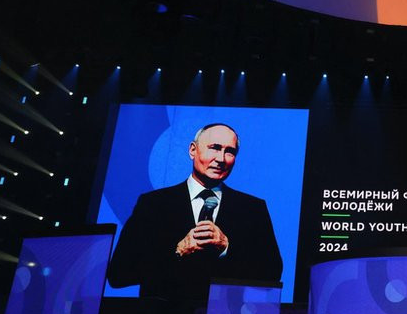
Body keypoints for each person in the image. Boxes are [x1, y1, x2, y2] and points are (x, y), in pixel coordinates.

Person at [107, 123, 283, 304]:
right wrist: (178, 251)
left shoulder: (253, 209)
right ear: (193, 150)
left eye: (229, 151)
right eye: (214, 148)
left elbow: (272, 275)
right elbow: (119, 274)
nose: (221, 158)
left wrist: (227, 248)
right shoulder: (153, 204)